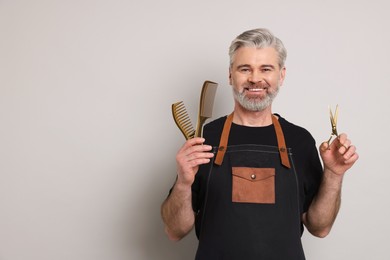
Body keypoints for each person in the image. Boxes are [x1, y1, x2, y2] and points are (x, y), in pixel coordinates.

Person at [161, 28, 359, 259]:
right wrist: (183, 183)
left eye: (266, 69)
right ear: (230, 75)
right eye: (245, 69)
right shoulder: (205, 139)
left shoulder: (300, 140)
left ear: (281, 75)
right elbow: (175, 231)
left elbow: (320, 227)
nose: (255, 78)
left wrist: (334, 174)